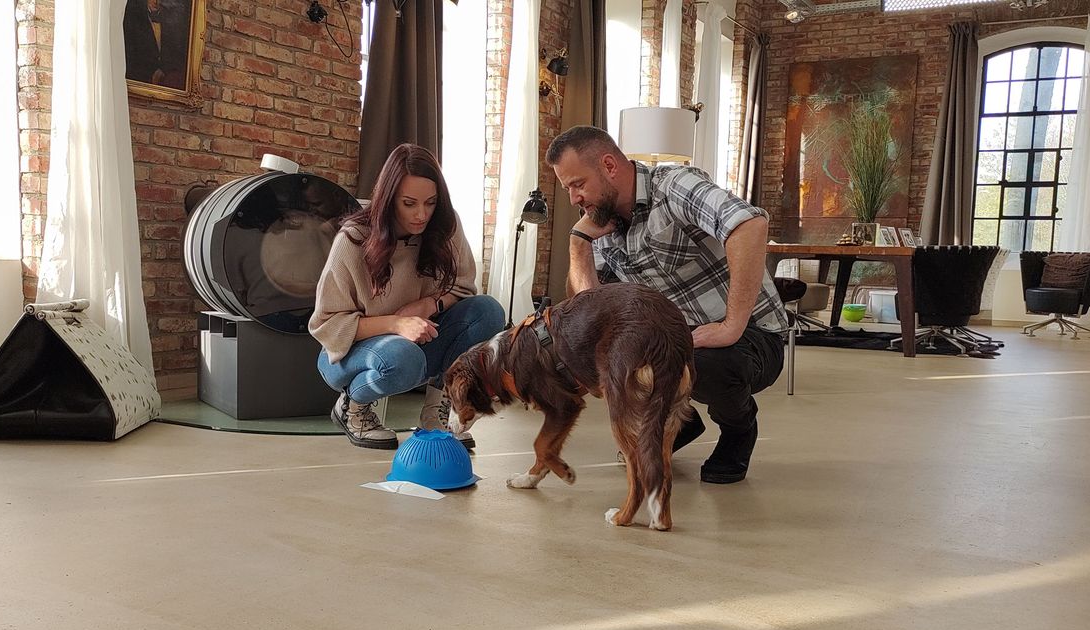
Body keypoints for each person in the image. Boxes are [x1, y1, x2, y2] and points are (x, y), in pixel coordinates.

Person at [546, 125, 788, 484]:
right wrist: (579, 242)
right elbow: (588, 310)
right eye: (567, 188)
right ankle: (682, 425)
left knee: (706, 362)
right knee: (601, 355)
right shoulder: (602, 223)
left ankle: (739, 427)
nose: (573, 198)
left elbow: (749, 224)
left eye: (577, 184)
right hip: (678, 340)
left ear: (610, 166)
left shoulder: (674, 185)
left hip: (751, 336)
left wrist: (731, 326)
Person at [310, 144, 504, 450]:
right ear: (389, 200)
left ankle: (436, 412)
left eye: (430, 203)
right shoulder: (352, 240)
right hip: (348, 355)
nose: (421, 214)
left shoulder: (444, 227)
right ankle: (353, 407)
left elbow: (464, 288)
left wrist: (429, 304)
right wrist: (397, 324)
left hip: (417, 340)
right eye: (409, 203)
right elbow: (326, 326)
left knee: (487, 311)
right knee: (404, 357)